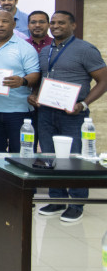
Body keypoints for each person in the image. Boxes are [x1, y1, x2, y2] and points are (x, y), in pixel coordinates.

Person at [29, 11, 107, 223]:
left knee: (74, 159)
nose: (55, 26)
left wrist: (83, 104)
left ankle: (77, 203)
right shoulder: (45, 51)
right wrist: (34, 96)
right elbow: (42, 80)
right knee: (50, 157)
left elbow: (103, 81)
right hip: (46, 112)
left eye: (61, 23)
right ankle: (57, 199)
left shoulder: (85, 49)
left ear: (73, 25)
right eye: (53, 23)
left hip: (72, 115)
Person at [0, 10, 40, 153]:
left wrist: (23, 81)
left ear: (13, 24)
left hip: (18, 112)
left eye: (4, 21)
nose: (0, 25)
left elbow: (35, 74)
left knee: (21, 153)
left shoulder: (25, 48)